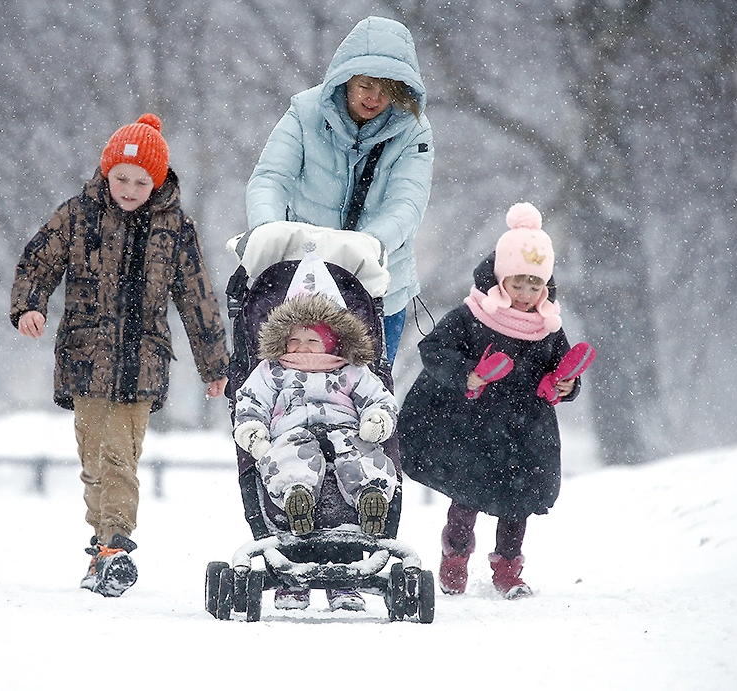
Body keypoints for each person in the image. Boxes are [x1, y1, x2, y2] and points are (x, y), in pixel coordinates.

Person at [10, 114, 229, 597]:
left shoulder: (175, 229)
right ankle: (101, 544)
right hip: (85, 358)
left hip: (142, 362)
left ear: (159, 180)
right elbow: (38, 260)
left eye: (141, 181)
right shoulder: (78, 215)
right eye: (120, 178)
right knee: (93, 459)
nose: (129, 189)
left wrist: (215, 366)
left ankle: (116, 545)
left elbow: (197, 297)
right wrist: (29, 305)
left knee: (119, 456)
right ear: (106, 174)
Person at [398, 202, 594, 599]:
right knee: (468, 495)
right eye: (517, 284)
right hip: (474, 423)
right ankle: (455, 554)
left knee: (518, 501)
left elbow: (562, 369)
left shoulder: (547, 327)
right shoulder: (473, 316)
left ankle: (508, 567)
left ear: (547, 286)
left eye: (535, 285)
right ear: (501, 280)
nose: (525, 294)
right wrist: (465, 374)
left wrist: (565, 386)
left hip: (525, 426)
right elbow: (434, 348)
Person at [245, 15, 434, 363]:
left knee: (368, 396)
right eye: (366, 85)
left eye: (387, 88)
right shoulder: (304, 113)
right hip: (301, 283)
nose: (375, 97)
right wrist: (266, 231)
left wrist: (367, 247)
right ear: (346, 79)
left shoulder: (414, 133)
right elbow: (271, 178)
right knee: (288, 389)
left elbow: (407, 204)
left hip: (378, 289)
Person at [233, 287, 399, 612]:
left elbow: (379, 398)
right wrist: (253, 429)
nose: (301, 348)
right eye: (294, 340)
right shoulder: (271, 371)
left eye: (312, 340)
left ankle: (370, 496)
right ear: (282, 340)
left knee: (361, 451)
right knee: (288, 457)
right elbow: (250, 401)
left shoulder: (351, 369)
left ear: (332, 341)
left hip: (345, 430)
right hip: (291, 434)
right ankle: (297, 495)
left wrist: (376, 418)